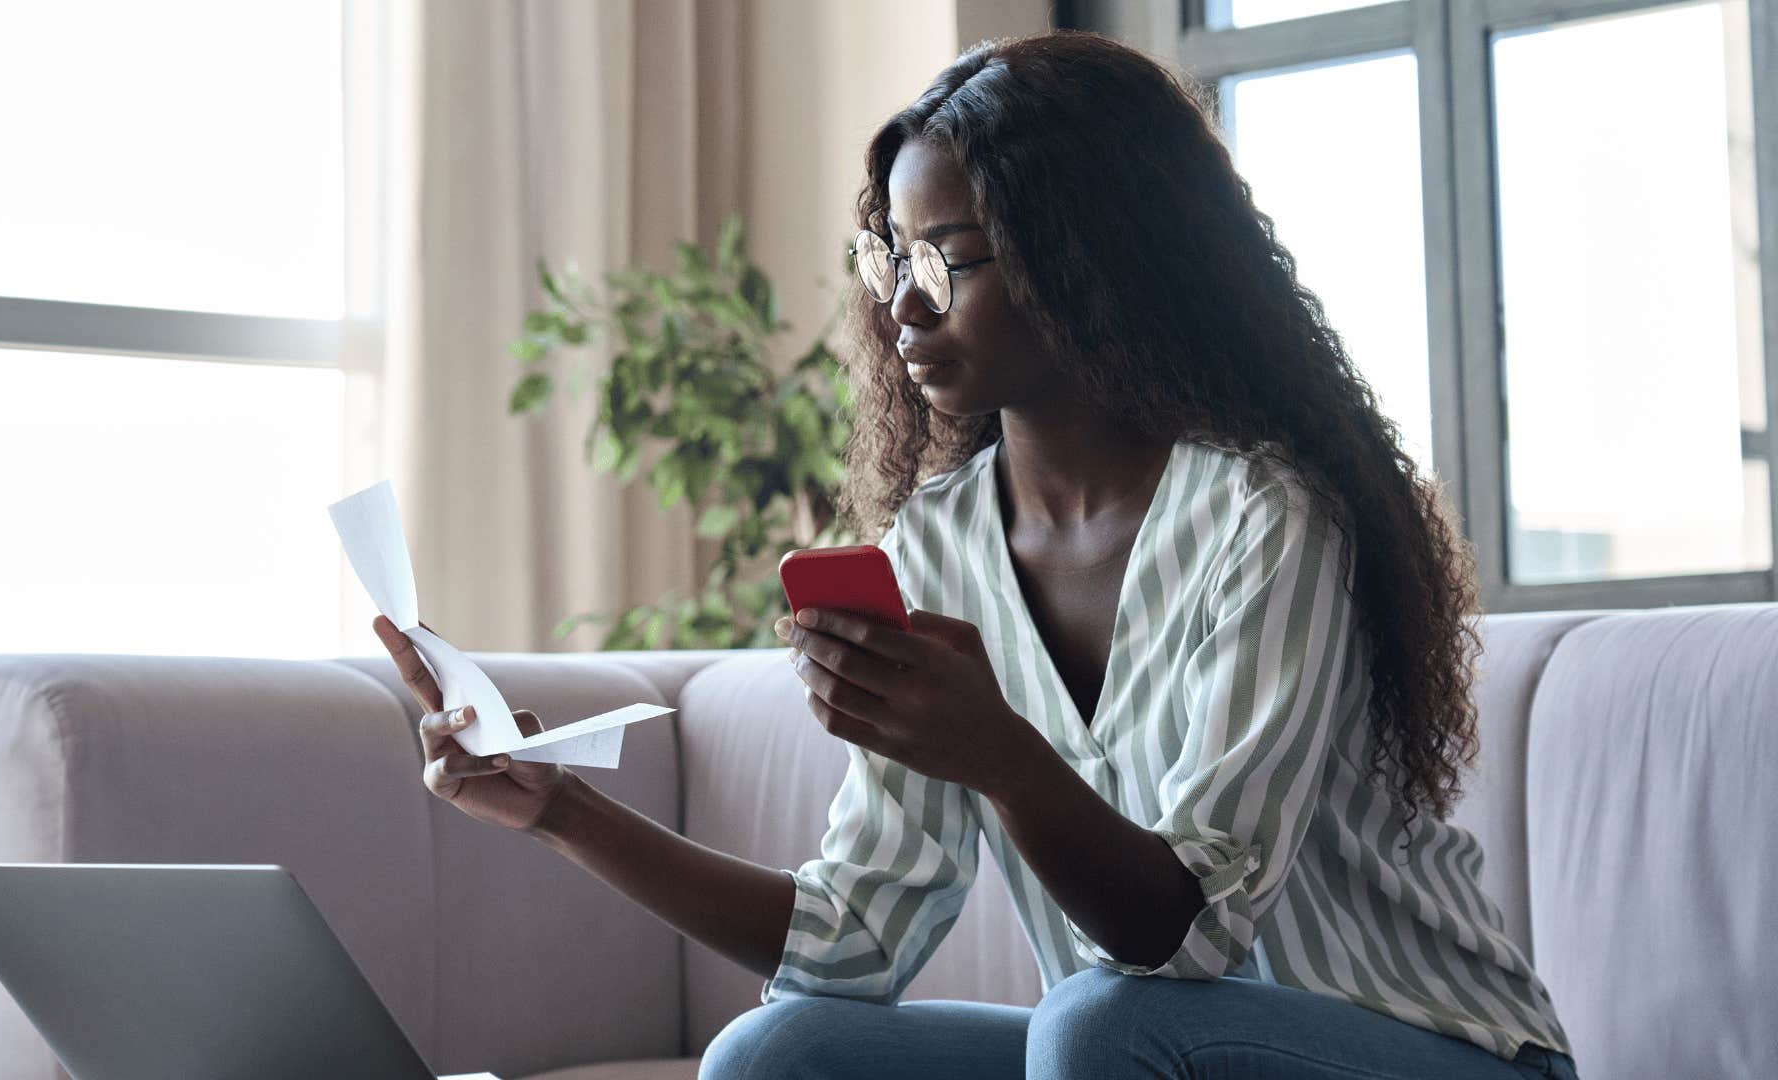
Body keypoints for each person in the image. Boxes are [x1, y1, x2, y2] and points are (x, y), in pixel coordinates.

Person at [373, 30, 1577, 1080]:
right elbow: (853, 939)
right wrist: (564, 810)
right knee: (778, 1052)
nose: (902, 302)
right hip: (1136, 1050)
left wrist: (995, 750)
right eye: (890, 256)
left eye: (946, 257)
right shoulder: (941, 545)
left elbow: (1195, 938)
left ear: (1089, 258)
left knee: (1101, 1028)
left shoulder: (1269, 516)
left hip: (1432, 1053)